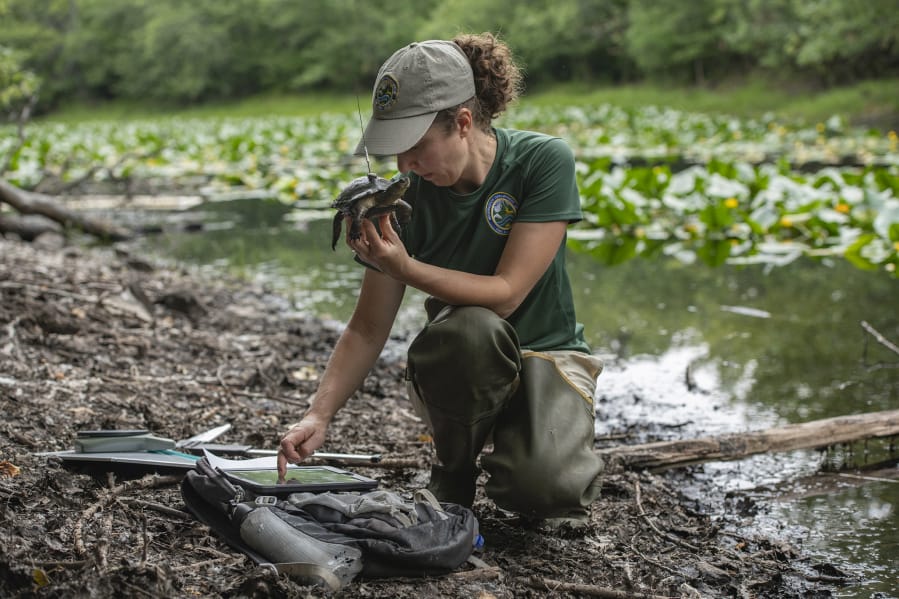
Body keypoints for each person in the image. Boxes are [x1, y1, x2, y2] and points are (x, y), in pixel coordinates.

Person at [278, 33, 604, 527]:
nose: (404, 166)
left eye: (415, 147)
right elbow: (367, 328)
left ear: (464, 123)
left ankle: (526, 450)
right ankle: (453, 468)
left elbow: (508, 294)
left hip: (549, 354)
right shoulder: (402, 200)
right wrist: (317, 415)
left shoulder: (542, 161)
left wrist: (405, 268)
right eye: (393, 151)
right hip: (463, 363)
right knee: (469, 329)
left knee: (545, 491)